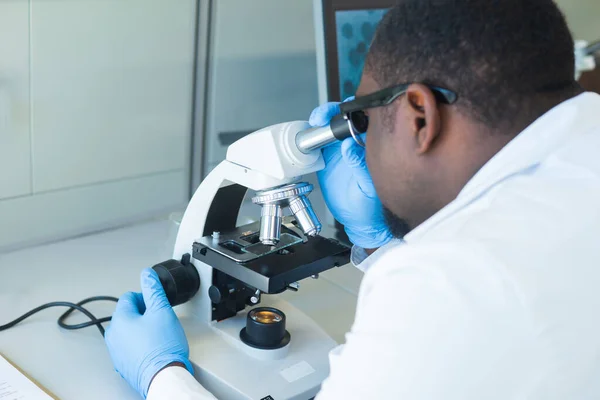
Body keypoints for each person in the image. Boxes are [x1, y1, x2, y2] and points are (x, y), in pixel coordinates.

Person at [104, 0, 600, 398]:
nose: (358, 147)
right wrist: (378, 244)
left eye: (361, 120)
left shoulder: (448, 284)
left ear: (418, 117)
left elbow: (455, 300)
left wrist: (162, 376)